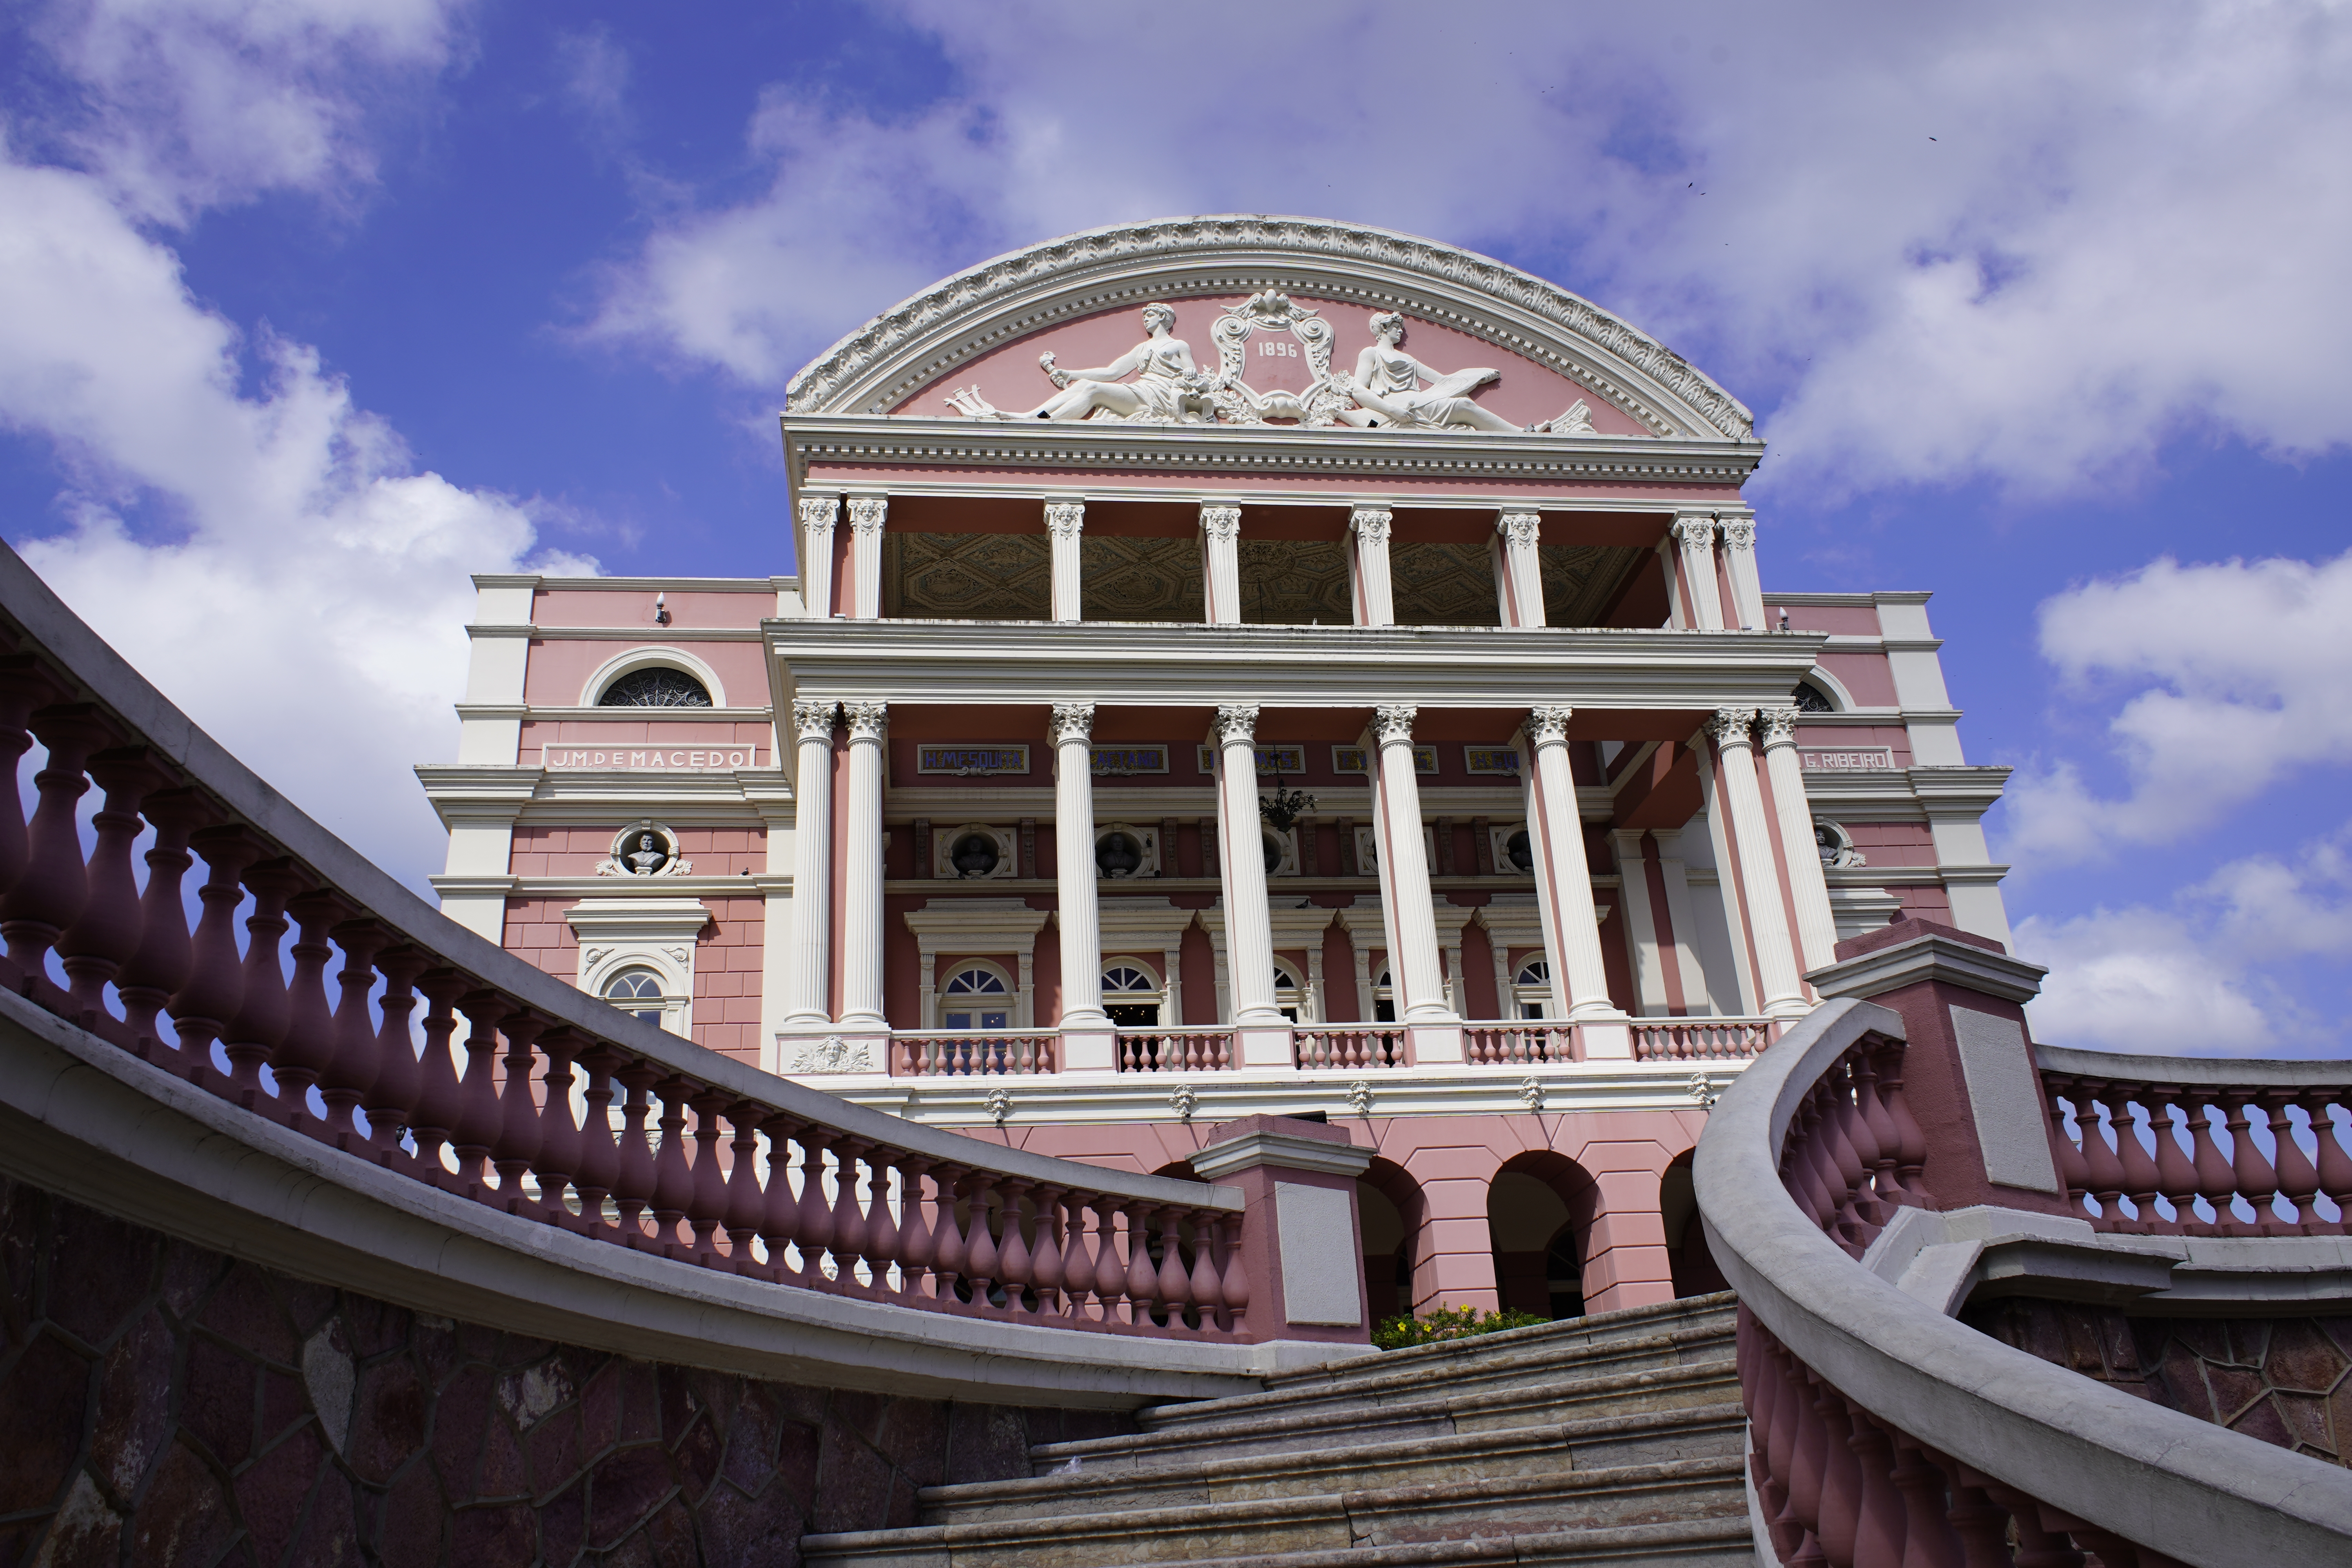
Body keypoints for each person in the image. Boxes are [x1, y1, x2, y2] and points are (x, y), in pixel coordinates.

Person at [946, 304, 1205, 422]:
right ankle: (1031, 416)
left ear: (1163, 318)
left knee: (1093, 391)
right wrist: (1070, 374)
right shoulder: (1142, 348)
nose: (1146, 320)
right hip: (1141, 390)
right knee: (1087, 383)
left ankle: (1047, 422)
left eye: (1150, 315)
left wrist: (1191, 372)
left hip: (1157, 397)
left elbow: (1191, 372)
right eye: (1145, 316)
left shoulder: (1178, 346)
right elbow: (1112, 372)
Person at [1331, 311, 1522, 432]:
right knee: (1463, 404)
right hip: (1397, 404)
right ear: (1384, 328)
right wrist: (1393, 411)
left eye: (1401, 329)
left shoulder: (1408, 360)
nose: (1400, 332)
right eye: (1396, 327)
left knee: (1464, 402)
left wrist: (1476, 378)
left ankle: (1519, 434)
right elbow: (1358, 391)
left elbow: (1444, 382)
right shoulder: (1371, 353)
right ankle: (1519, 435)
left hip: (1418, 401)